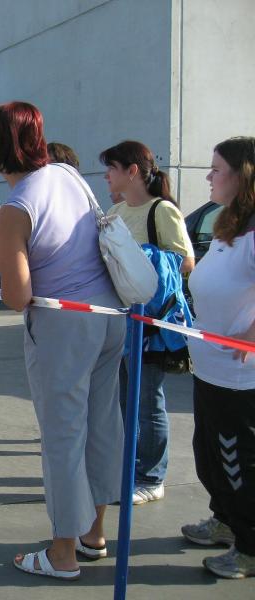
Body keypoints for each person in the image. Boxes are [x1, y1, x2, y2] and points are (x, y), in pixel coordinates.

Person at [0, 101, 125, 580]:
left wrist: (6, 278)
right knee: (101, 424)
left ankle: (63, 552)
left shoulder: (15, 208)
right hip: (110, 316)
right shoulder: (69, 176)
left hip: (63, 327)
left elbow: (18, 297)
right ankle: (94, 534)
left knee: (63, 437)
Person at [101, 140, 195, 505]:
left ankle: (152, 477)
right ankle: (126, 470)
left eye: (112, 168)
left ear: (132, 171)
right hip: (121, 321)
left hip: (151, 324)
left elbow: (185, 262)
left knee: (148, 401)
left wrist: (143, 259)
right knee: (123, 401)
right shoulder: (116, 211)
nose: (106, 176)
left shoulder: (162, 211)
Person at [182, 136, 255, 579]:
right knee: (209, 456)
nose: (208, 176)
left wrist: (250, 334)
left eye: (216, 169)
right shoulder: (230, 225)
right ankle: (226, 521)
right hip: (209, 370)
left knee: (237, 463)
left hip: (239, 380)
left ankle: (250, 547)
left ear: (243, 176)